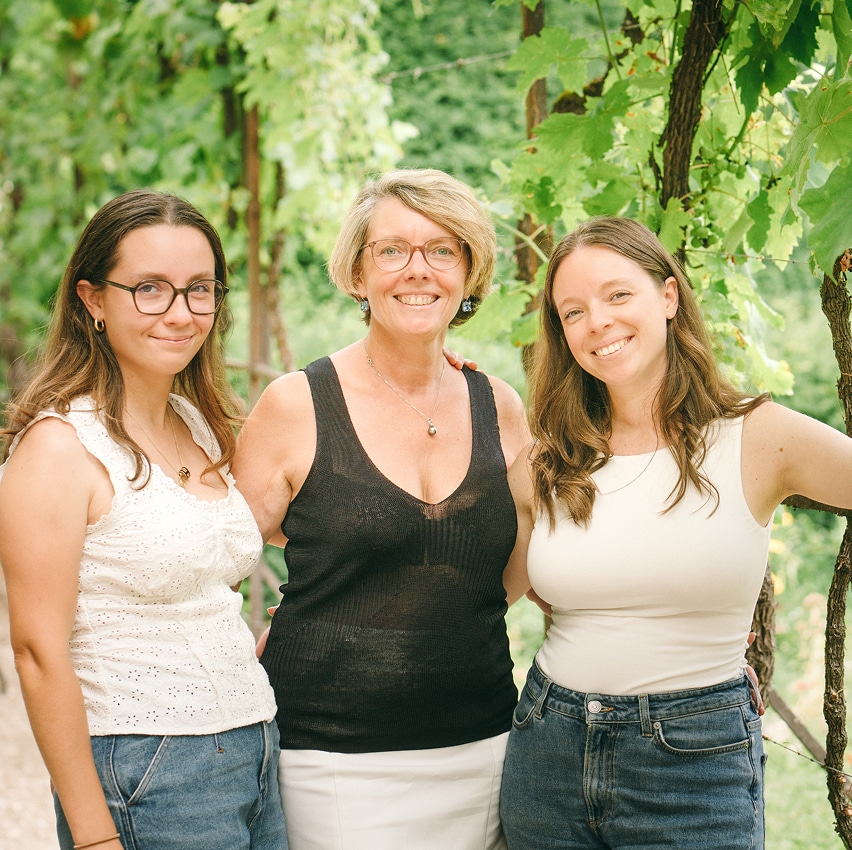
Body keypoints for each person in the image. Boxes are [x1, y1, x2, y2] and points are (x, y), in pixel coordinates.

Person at [499, 215, 852, 849]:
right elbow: (486, 583)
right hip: (548, 748)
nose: (597, 322)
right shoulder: (547, 459)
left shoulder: (758, 435)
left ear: (667, 297)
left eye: (617, 294)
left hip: (693, 758)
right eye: (572, 312)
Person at [231, 168, 530, 850]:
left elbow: (515, 571)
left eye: (441, 251)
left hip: (482, 746)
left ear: (469, 272)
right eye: (392, 250)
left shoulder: (501, 407)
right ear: (359, 274)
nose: (416, 270)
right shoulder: (296, 405)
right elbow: (215, 563)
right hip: (333, 762)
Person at [0, 191, 289, 850]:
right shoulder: (59, 448)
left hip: (256, 743)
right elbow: (37, 654)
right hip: (146, 767)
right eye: (149, 290)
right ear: (93, 300)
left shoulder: (200, 425)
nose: (181, 314)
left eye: (199, 290)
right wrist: (95, 833)